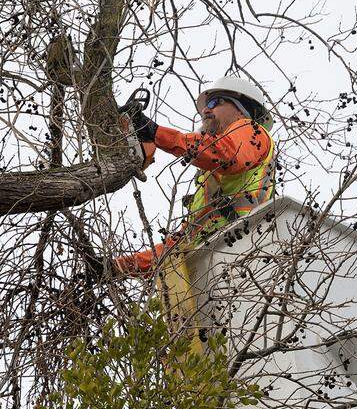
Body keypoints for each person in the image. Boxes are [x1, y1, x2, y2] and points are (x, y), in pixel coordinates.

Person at [114, 76, 277, 276]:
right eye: (205, 105)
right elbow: (179, 243)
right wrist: (119, 266)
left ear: (241, 110)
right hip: (213, 264)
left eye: (215, 102)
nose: (206, 110)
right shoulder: (211, 180)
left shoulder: (253, 133)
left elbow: (226, 154)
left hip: (244, 252)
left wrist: (156, 133)